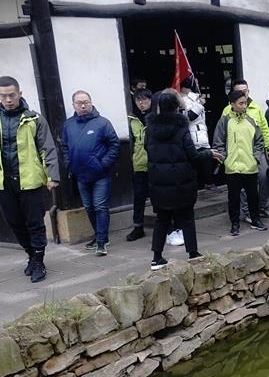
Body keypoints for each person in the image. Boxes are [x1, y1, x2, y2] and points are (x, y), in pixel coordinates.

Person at [0, 76, 60, 282]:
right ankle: (31, 254)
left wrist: (52, 176)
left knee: (35, 223)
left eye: (12, 95)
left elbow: (47, 149)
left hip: (30, 181)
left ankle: (39, 260)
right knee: (15, 223)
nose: (8, 99)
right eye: (4, 96)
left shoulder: (34, 119)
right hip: (3, 182)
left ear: (20, 93)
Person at [146, 89, 217, 269]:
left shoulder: (150, 130)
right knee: (187, 218)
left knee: (162, 219)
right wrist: (209, 153)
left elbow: (148, 150)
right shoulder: (181, 129)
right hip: (182, 181)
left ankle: (156, 258)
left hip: (159, 182)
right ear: (177, 108)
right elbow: (194, 156)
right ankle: (193, 253)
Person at [61, 89, 120, 256]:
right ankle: (99, 235)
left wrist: (103, 164)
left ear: (91, 103)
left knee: (100, 206)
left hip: (101, 174)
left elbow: (114, 145)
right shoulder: (68, 124)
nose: (83, 105)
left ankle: (101, 241)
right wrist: (69, 164)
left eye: (86, 102)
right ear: (73, 105)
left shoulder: (103, 123)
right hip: (80, 174)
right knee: (88, 207)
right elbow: (64, 146)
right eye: (79, 103)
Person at [214, 89, 268, 235]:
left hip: (250, 165)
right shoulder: (225, 121)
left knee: (253, 196)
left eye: (245, 103)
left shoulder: (251, 120)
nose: (244, 106)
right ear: (232, 104)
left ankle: (256, 220)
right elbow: (218, 142)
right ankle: (235, 223)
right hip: (232, 166)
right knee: (234, 198)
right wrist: (224, 158)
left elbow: (259, 141)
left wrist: (256, 158)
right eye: (241, 103)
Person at [222, 79, 269, 222]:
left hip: (257, 151)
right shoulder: (227, 111)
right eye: (239, 91)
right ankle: (246, 212)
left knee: (264, 177)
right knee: (242, 186)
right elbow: (223, 134)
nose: (243, 93)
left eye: (245, 90)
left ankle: (263, 206)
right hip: (237, 153)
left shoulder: (256, 108)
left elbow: (263, 128)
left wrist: (268, 147)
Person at [126, 88, 153, 242]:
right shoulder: (132, 119)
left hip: (155, 163)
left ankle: (166, 224)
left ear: (151, 100)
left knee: (158, 195)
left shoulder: (156, 117)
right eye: (138, 100)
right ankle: (138, 227)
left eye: (144, 99)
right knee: (139, 196)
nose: (141, 103)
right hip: (139, 163)